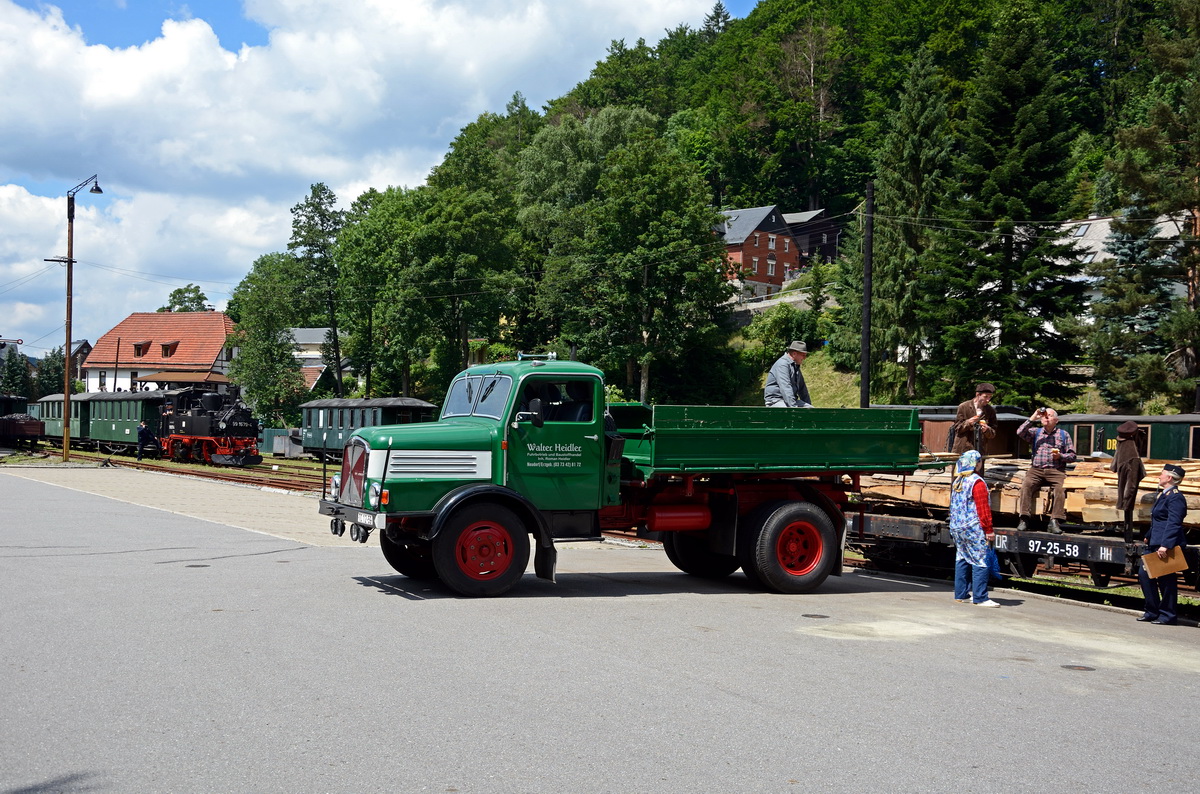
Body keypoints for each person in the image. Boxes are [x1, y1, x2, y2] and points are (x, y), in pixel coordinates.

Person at [1137, 463, 1189, 625]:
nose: (1159, 476)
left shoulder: (1176, 497)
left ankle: (1167, 614)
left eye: (1162, 474)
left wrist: (1165, 545)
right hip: (1155, 542)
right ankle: (1152, 611)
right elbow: (1158, 520)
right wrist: (1148, 536)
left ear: (1170, 478)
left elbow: (1174, 522)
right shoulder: (1165, 495)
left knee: (1166, 580)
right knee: (1145, 575)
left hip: (1166, 545)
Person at [948, 449, 999, 607]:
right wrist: (988, 529)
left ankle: (961, 594)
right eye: (979, 461)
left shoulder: (958, 481)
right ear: (976, 463)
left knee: (962, 558)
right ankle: (981, 597)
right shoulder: (977, 482)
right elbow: (983, 508)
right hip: (972, 528)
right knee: (980, 560)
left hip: (957, 527)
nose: (980, 463)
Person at [1016, 407, 1076, 533]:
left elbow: (1072, 456)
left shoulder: (1063, 435)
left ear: (1056, 420)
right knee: (1026, 485)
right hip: (1036, 470)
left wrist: (1061, 456)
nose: (1045, 417)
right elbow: (1020, 432)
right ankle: (1024, 518)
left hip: (1056, 470)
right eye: (1043, 415)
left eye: (1049, 415)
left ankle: (1054, 521)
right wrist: (1033, 416)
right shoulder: (1035, 433)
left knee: (1061, 489)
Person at [1110, 420, 1145, 540]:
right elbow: (1131, 485)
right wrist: (1127, 503)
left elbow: (1113, 465)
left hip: (1123, 494)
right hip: (1126, 500)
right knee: (1130, 487)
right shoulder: (1132, 456)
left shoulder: (1122, 445)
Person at [950, 382, 998, 455]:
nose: (988, 400)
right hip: (963, 450)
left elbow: (993, 434)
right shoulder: (963, 407)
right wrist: (968, 422)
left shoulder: (990, 411)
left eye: (990, 397)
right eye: (985, 397)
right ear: (977, 394)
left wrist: (987, 429)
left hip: (980, 451)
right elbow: (957, 429)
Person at [763, 340, 813, 408]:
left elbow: (802, 389)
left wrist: (810, 409)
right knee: (790, 414)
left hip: (790, 401)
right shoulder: (782, 365)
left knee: (810, 410)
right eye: (803, 355)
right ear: (794, 354)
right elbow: (786, 388)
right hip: (775, 401)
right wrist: (794, 409)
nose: (804, 358)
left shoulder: (795, 366)